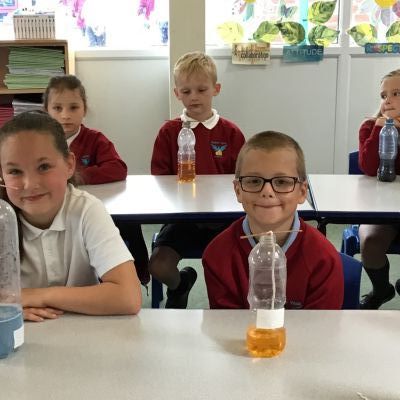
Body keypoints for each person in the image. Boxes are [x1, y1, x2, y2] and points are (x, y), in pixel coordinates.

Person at [0, 111, 142, 322]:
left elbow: (128, 297)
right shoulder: (3, 219)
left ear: (69, 165)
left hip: (83, 332)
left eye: (44, 167)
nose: (29, 184)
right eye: (14, 171)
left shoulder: (86, 210)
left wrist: (35, 296)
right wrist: (9, 308)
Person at [202, 131, 344, 309]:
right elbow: (227, 324)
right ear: (238, 190)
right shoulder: (217, 255)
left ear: (302, 192)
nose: (267, 191)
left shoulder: (323, 260)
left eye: (282, 182)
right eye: (254, 181)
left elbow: (321, 326)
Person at [150, 51, 245, 308]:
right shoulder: (169, 132)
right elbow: (159, 179)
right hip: (183, 219)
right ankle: (180, 285)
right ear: (176, 93)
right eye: (186, 91)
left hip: (223, 220)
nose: (194, 97)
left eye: (202, 90)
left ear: (216, 89)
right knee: (158, 266)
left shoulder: (231, 133)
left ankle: (225, 310)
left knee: (231, 267)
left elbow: (243, 178)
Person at [43, 74, 150, 286]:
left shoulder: (95, 139)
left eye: (73, 107)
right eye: (57, 108)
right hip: (53, 209)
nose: (65, 115)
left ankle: (139, 270)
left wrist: (75, 176)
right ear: (46, 110)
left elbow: (117, 168)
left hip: (93, 207)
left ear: (84, 109)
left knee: (127, 220)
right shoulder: (42, 141)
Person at [358, 68, 400, 309]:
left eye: (396, 93)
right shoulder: (370, 126)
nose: (388, 100)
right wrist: (381, 130)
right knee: (370, 242)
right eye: (384, 96)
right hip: (382, 210)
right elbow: (368, 167)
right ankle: (382, 289)